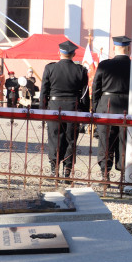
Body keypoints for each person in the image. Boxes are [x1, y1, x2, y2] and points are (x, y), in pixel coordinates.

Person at [92, 35, 132, 179]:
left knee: (105, 142)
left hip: (106, 106)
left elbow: (96, 89)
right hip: (127, 106)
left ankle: (105, 174)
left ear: (115, 47)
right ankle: (124, 174)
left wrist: (96, 108)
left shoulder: (104, 65)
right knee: (125, 142)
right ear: (129, 49)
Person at [40, 40, 88, 181]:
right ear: (74, 54)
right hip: (73, 107)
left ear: (59, 53)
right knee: (70, 139)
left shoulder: (50, 68)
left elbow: (44, 91)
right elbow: (85, 93)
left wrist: (42, 110)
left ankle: (54, 169)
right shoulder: (81, 70)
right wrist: (84, 110)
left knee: (54, 138)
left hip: (54, 106)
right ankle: (67, 170)